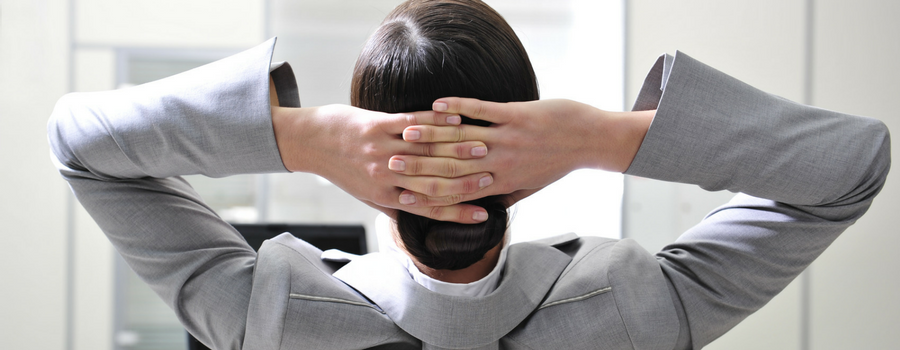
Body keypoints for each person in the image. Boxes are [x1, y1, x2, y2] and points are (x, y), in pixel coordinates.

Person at [47, 1, 890, 350]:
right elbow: (848, 170)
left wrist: (303, 138)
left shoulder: (262, 316)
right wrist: (604, 137)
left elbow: (83, 147)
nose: (453, 181)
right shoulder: (646, 307)